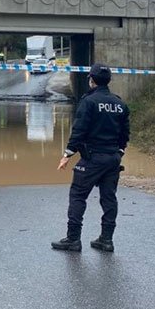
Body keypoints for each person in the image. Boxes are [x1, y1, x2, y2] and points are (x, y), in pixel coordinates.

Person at [52, 63, 130, 253]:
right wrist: (119, 152)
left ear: (91, 80)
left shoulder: (89, 102)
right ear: (109, 80)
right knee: (109, 198)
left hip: (93, 158)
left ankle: (73, 240)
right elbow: (125, 134)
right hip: (113, 158)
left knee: (78, 195)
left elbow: (79, 130)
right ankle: (106, 240)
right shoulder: (120, 104)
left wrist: (67, 154)